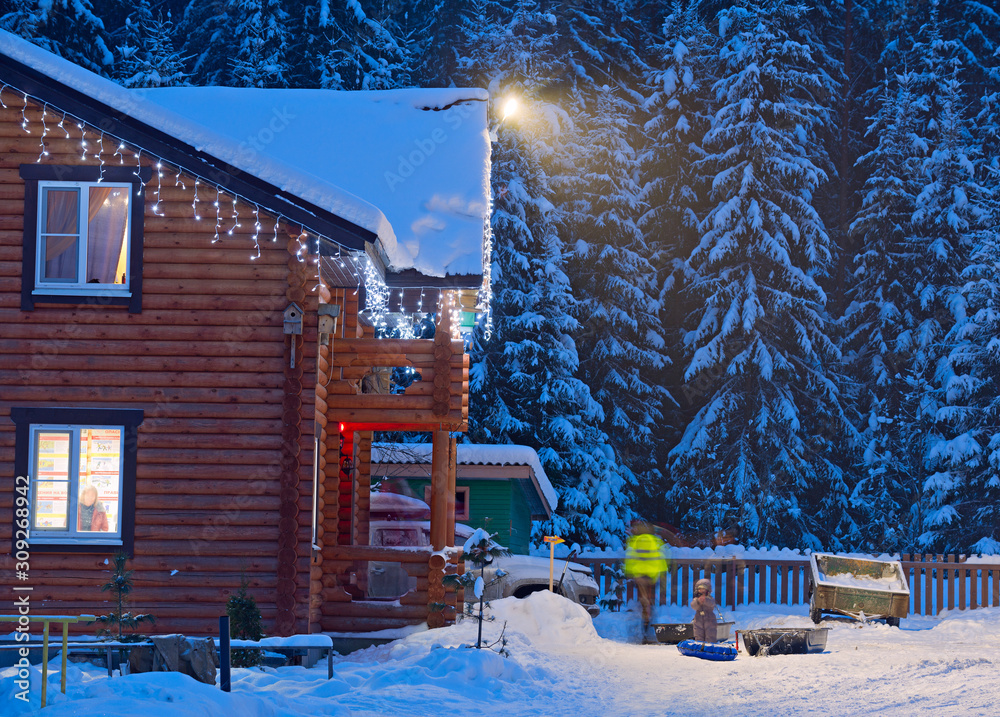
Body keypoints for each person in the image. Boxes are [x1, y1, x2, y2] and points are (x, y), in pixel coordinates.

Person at [624, 521, 669, 632]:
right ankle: (650, 617)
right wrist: (663, 572)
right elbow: (661, 558)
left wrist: (629, 572)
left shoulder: (635, 541)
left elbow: (630, 558)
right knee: (651, 598)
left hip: (639, 576)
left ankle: (644, 618)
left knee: (643, 599)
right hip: (652, 576)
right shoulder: (656, 541)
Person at [690, 578, 719, 642]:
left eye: (704, 589)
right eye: (700, 589)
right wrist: (698, 601)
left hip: (710, 618)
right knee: (698, 633)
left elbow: (712, 604)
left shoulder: (710, 599)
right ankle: (700, 645)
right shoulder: (696, 599)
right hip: (698, 619)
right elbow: (693, 606)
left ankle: (710, 646)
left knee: (710, 634)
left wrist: (705, 600)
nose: (702, 591)